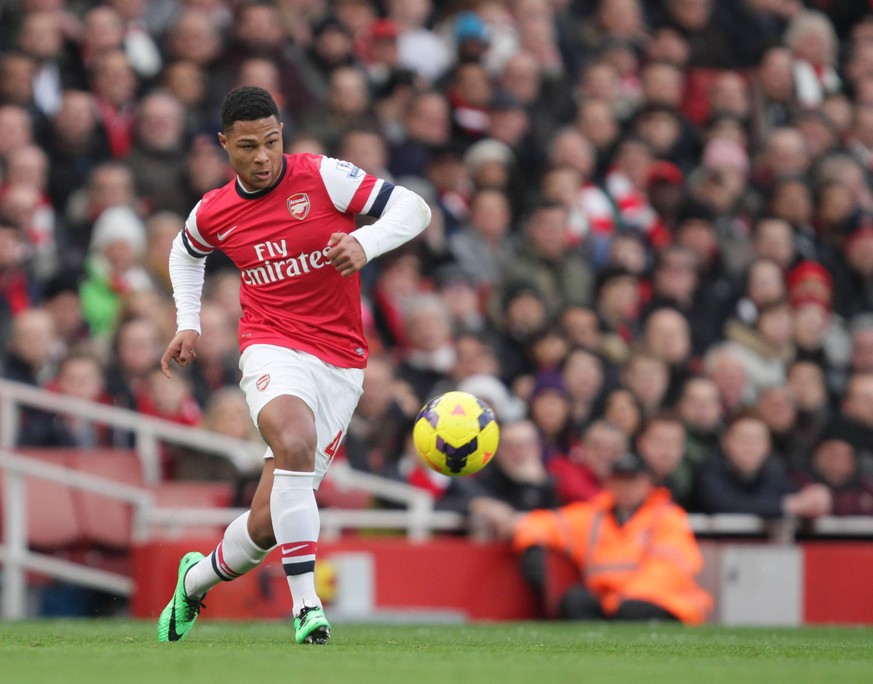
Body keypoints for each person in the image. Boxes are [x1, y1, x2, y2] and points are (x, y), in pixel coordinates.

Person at [157, 86, 430, 645]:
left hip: (340, 363)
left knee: (264, 524)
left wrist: (367, 242)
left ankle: (194, 581)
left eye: (272, 143)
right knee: (294, 441)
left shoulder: (323, 176)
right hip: (270, 345)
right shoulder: (215, 211)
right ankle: (307, 607)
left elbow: (414, 207)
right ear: (224, 145)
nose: (262, 158)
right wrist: (189, 322)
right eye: (248, 147)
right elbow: (184, 253)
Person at [513, 451, 712, 623]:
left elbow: (668, 570)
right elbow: (539, 523)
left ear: (647, 483)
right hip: (611, 602)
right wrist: (532, 547)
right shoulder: (593, 516)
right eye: (620, 480)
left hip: (661, 599)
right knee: (574, 601)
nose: (626, 487)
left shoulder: (667, 517)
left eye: (632, 480)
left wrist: (623, 598)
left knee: (634, 611)